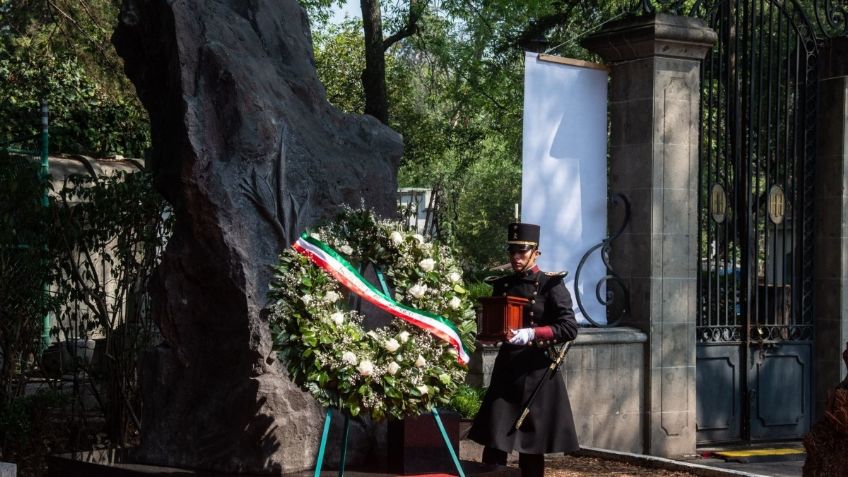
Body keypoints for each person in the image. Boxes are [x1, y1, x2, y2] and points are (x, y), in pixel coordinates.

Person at [468, 222, 579, 477]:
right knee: (495, 441)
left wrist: (533, 333)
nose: (516, 258)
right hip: (507, 371)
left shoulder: (551, 285)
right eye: (512, 252)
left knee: (531, 447)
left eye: (522, 252)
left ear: (536, 252)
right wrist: (491, 337)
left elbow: (569, 328)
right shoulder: (503, 284)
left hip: (537, 372)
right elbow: (497, 320)